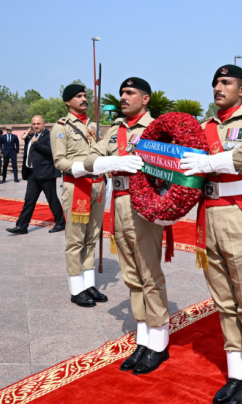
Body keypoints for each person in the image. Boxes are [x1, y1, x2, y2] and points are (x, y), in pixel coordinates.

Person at [180, 65, 242, 404]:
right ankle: (237, 372)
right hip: (209, 217)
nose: (218, 88)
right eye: (215, 83)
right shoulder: (204, 127)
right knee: (223, 301)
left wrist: (214, 162)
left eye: (226, 83)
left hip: (239, 216)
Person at [79, 77, 171, 376]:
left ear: (145, 99)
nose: (123, 97)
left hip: (144, 206)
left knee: (149, 274)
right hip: (118, 204)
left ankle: (159, 342)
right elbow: (91, 156)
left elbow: (171, 167)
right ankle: (143, 340)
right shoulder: (116, 130)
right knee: (132, 276)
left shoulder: (156, 128)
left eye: (130, 93)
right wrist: (107, 162)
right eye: (121, 92)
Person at [51, 84, 108, 308]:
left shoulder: (94, 126)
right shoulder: (61, 127)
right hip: (77, 187)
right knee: (75, 240)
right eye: (78, 96)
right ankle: (76, 288)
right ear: (68, 101)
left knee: (92, 237)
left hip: (97, 187)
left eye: (85, 95)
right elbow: (59, 161)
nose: (84, 99)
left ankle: (89, 283)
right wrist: (85, 167)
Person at [6, 116, 65, 234]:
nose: (36, 126)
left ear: (44, 123)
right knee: (29, 200)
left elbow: (52, 151)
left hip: (46, 174)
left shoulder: (49, 136)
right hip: (33, 174)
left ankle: (60, 223)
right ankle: (22, 226)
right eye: (33, 124)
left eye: (38, 123)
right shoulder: (32, 136)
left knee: (52, 199)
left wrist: (36, 144)